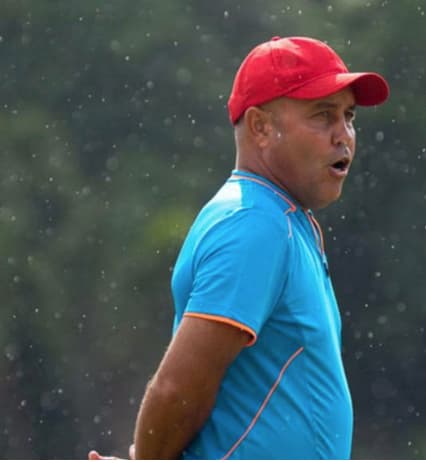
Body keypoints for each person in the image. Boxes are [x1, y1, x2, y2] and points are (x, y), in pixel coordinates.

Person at [88, 35, 389, 459]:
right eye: (323, 116)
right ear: (261, 127)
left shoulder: (282, 219)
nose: (344, 136)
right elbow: (177, 388)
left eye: (349, 116)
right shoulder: (255, 224)